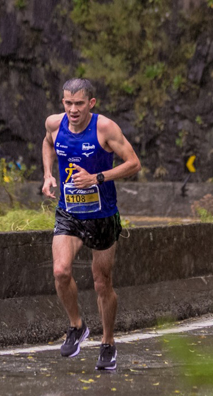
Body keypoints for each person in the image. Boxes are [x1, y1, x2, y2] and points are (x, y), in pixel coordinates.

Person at [41, 78, 141, 370]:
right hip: (69, 212)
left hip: (102, 216)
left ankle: (107, 341)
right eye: (68, 103)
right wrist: (48, 174)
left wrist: (97, 178)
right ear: (63, 103)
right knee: (60, 271)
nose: (73, 109)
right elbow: (47, 144)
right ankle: (77, 326)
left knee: (102, 283)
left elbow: (133, 163)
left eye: (79, 104)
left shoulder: (104, 128)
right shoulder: (54, 124)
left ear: (91, 104)